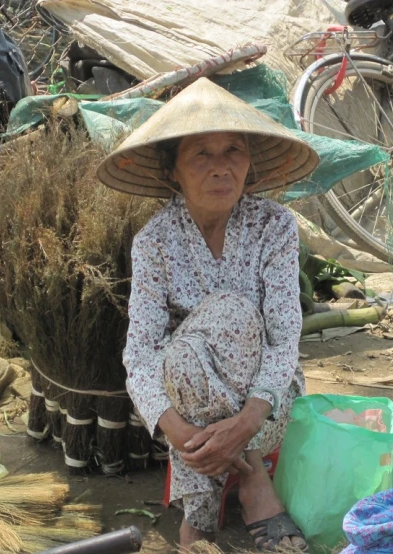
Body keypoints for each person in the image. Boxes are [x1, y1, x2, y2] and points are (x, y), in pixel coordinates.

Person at [97, 77, 319, 551]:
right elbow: (139, 356)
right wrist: (182, 435)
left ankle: (199, 516)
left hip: (268, 398)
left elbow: (284, 340)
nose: (221, 169)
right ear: (172, 170)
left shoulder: (274, 226)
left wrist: (246, 423)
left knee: (233, 315)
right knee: (183, 353)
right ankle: (251, 481)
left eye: (233, 151)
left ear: (248, 162)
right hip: (186, 408)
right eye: (202, 154)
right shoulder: (154, 243)